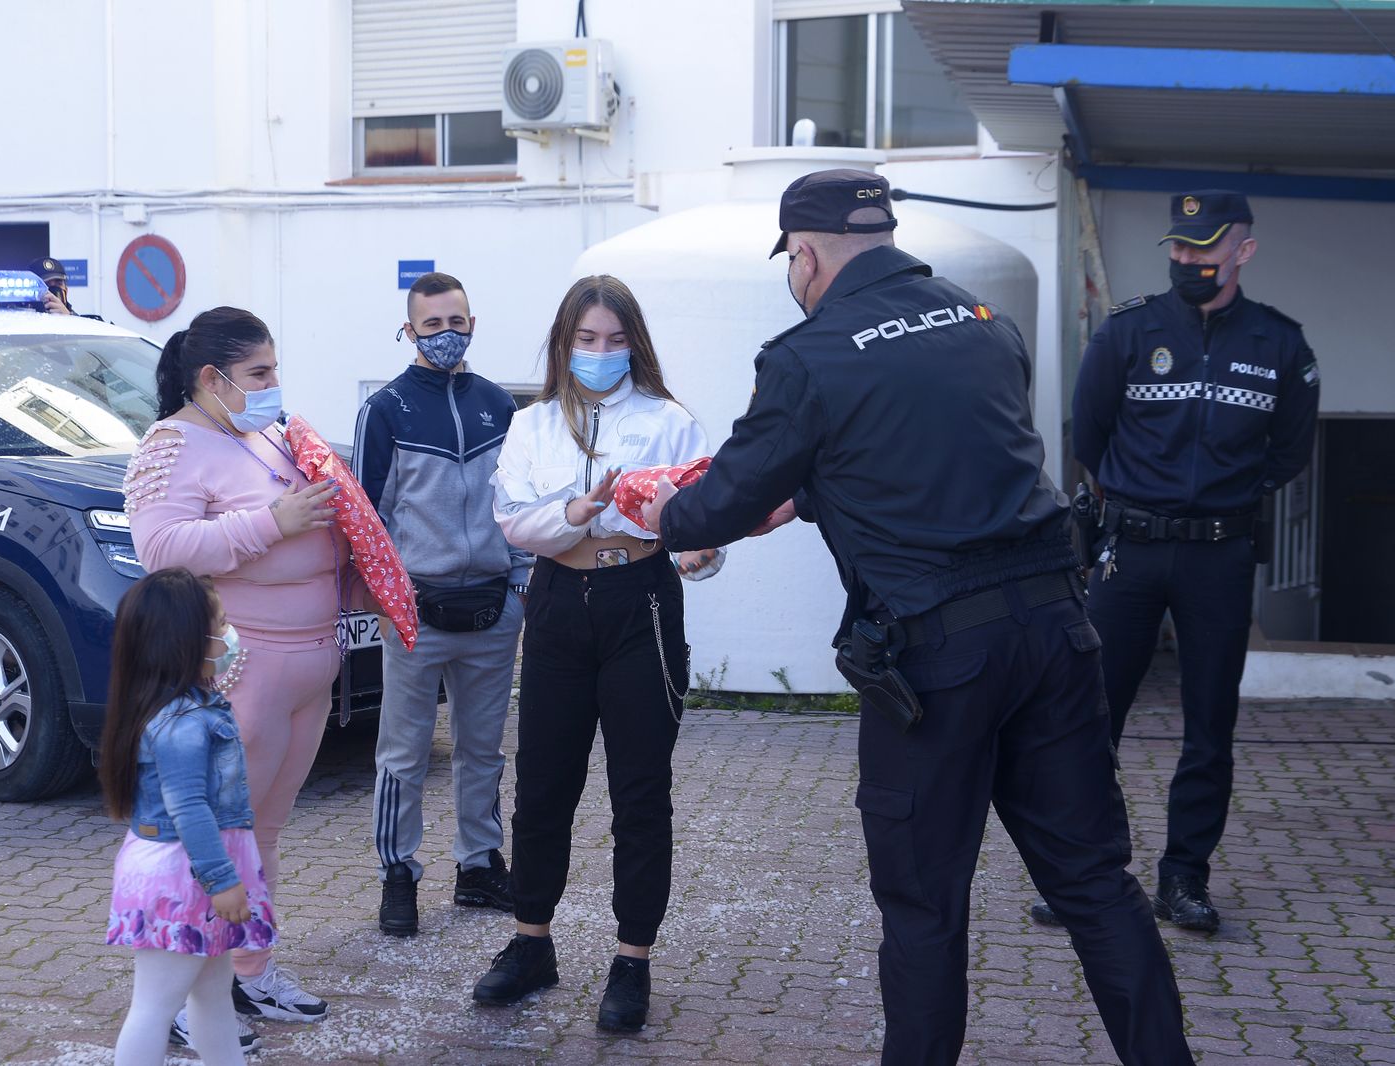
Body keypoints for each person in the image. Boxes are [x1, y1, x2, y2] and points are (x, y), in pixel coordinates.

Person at [644, 169, 1194, 1066]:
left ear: (807, 254)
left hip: (939, 664)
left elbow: (712, 509)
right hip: (1057, 632)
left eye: (793, 261)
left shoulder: (805, 356)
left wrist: (662, 510)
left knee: (925, 907)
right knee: (1097, 882)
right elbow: (939, 455)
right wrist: (815, 496)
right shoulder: (983, 324)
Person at [1057, 190, 1320, 934]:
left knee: (1210, 725)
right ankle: (1085, 876)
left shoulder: (1280, 345)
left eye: (1204, 249)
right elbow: (1091, 432)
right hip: (1131, 551)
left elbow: (1291, 453)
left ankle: (1185, 880)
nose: (1187, 260)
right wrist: (1143, 499)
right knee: (1092, 717)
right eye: (1178, 247)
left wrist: (1224, 500)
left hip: (1220, 557)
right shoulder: (1129, 332)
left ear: (1243, 249)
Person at [471, 275, 722, 1032]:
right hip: (554, 602)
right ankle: (531, 944)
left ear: (634, 344)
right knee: (543, 783)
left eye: (615, 340)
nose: (601, 353)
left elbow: (701, 520)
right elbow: (514, 525)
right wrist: (573, 514)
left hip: (638, 599)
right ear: (564, 343)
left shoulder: (669, 420)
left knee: (641, 792)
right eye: (587, 340)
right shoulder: (534, 424)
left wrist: (702, 551)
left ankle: (632, 958)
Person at [127, 306, 377, 1031]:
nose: (273, 386)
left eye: (274, 370)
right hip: (244, 669)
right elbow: (161, 550)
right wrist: (274, 524)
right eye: (257, 373)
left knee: (262, 832)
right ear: (211, 379)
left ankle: (248, 973)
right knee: (211, 835)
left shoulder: (263, 433)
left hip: (309, 665)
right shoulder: (171, 445)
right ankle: (179, 1002)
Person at [352, 272, 530, 937]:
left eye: (456, 321)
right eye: (432, 325)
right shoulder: (387, 409)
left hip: (491, 611)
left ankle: (479, 867)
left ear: (473, 324)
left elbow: (516, 502)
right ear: (409, 331)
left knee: (483, 751)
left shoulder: (500, 406)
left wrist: (518, 588)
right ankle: (398, 874)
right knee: (402, 755)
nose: (446, 334)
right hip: (416, 615)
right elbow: (368, 520)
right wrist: (389, 600)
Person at [100, 567, 275, 1065]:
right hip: (184, 877)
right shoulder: (182, 722)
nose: (229, 633)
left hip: (192, 871)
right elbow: (189, 806)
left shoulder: (190, 707)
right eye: (219, 623)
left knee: (211, 996)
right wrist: (223, 880)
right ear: (183, 641)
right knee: (155, 1007)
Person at [28, 256, 100, 319]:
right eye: (46, 285)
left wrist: (69, 318)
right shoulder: (24, 321)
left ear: (66, 289)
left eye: (58, 283)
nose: (53, 291)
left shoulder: (82, 323)